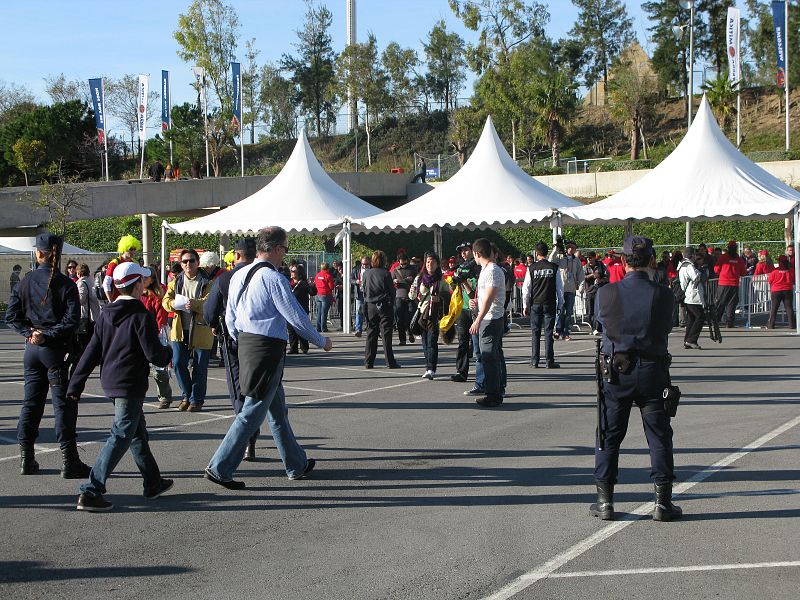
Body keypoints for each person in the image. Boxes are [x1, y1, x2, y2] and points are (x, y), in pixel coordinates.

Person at [204, 226, 333, 489]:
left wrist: (240, 339)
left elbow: (230, 316)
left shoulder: (240, 275)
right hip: (267, 349)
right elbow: (295, 316)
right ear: (275, 249)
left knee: (276, 410)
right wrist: (321, 341)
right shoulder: (273, 279)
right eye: (284, 249)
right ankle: (220, 466)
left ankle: (295, 463)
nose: (285, 254)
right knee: (252, 411)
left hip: (248, 344)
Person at [67, 262, 173, 511]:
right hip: (129, 383)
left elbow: (92, 351)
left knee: (136, 433)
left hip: (111, 381)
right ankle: (91, 490)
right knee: (122, 434)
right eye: (143, 282)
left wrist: (76, 383)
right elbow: (154, 354)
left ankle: (153, 482)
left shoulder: (106, 313)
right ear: (136, 285)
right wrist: (168, 352)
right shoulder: (140, 314)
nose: (145, 285)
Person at [591, 235, 681, 523]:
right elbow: (668, 325)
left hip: (616, 372)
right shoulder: (663, 294)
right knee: (658, 435)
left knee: (608, 435)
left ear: (622, 261)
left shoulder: (606, 293)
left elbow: (601, 324)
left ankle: (605, 502)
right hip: (652, 371)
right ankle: (663, 502)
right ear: (652, 260)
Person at [5, 232, 91, 479]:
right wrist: (47, 334)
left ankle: (26, 458)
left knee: (31, 404)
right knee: (62, 404)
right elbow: (73, 320)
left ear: (38, 253)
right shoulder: (66, 284)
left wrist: (30, 332)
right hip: (55, 349)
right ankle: (69, 460)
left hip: (32, 350)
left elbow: (12, 316)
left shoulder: (26, 281)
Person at [203, 238, 260, 459]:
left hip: (233, 339)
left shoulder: (225, 277)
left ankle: (247, 438)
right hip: (259, 341)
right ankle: (252, 437)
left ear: (236, 255)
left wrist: (215, 325)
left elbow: (209, 310)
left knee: (238, 388)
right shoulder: (263, 274)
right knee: (258, 389)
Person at [162, 248, 212, 412]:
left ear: (198, 263)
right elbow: (165, 300)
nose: (188, 264)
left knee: (199, 367)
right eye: (184, 261)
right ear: (181, 264)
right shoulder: (175, 282)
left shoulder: (207, 282)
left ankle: (196, 399)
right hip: (179, 329)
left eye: (191, 260)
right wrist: (173, 305)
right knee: (177, 363)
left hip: (200, 330)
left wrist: (194, 304)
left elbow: (209, 303)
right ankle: (186, 395)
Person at [468, 238, 506, 408]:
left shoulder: (491, 270)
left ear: (477, 253)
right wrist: (477, 300)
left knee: (489, 358)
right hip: (489, 317)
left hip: (491, 319)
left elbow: (490, 299)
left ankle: (493, 395)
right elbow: (487, 296)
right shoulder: (486, 270)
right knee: (491, 357)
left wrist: (478, 319)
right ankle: (494, 392)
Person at [409, 251, 451, 380]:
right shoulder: (419, 278)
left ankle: (431, 369)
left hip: (434, 314)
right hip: (422, 314)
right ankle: (428, 367)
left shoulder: (441, 279)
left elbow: (448, 295)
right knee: (424, 342)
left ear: (437, 264)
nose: (429, 264)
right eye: (427, 261)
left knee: (432, 342)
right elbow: (412, 296)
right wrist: (412, 292)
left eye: (432, 262)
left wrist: (440, 297)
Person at [522, 242, 559, 369]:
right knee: (548, 332)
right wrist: (561, 303)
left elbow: (526, 288)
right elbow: (559, 288)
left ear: (536, 253)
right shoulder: (554, 267)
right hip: (549, 302)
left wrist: (525, 305)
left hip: (536, 303)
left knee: (535, 332)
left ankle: (534, 360)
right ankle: (549, 361)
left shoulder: (531, 268)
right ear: (546, 252)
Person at [140, 267, 173, 408]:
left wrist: (159, 333)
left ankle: (164, 396)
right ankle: (138, 395)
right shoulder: (137, 293)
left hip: (155, 333)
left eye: (146, 277)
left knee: (159, 369)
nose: (143, 279)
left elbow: (161, 317)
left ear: (152, 279)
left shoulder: (157, 295)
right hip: (139, 334)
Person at [362, 250, 400, 369]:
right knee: (386, 335)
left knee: (371, 334)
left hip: (370, 305)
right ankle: (390, 362)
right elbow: (391, 291)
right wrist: (391, 303)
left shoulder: (366, 274)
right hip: (383, 305)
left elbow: (364, 288)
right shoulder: (386, 273)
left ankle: (369, 362)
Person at [452, 242, 481, 387]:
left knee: (477, 344)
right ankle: (461, 371)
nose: (463, 253)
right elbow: (454, 286)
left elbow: (475, 291)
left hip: (476, 309)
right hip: (463, 308)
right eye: (461, 251)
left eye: (466, 250)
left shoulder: (478, 268)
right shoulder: (460, 268)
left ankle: (481, 374)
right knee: (462, 340)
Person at [549, 238, 584, 341]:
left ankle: (566, 332)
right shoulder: (560, 257)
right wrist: (556, 248)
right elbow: (550, 260)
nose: (571, 249)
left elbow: (580, 274)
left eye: (573, 248)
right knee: (559, 311)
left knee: (568, 312)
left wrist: (581, 285)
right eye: (569, 247)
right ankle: (557, 330)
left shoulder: (576, 260)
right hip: (561, 289)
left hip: (571, 289)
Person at [71, 264, 100, 378]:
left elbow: (81, 300)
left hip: (85, 317)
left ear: (79, 273)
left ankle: (86, 363)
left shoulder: (82, 283)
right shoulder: (92, 281)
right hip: (94, 316)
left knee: (84, 343)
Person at [714, 241, 746, 328]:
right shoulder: (739, 259)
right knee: (731, 304)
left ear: (728, 247)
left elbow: (716, 269)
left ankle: (716, 320)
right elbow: (743, 272)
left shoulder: (722, 257)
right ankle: (730, 322)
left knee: (720, 302)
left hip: (723, 284)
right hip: (734, 284)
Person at [678, 248, 705, 350]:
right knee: (700, 317)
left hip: (688, 295)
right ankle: (691, 340)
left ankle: (687, 340)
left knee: (691, 318)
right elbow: (696, 277)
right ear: (692, 255)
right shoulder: (689, 266)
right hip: (693, 295)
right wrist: (699, 271)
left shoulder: (681, 265)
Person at [103, 235, 141, 303]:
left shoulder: (135, 263)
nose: (133, 251)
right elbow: (106, 283)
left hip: (132, 301)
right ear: (124, 248)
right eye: (130, 249)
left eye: (134, 249)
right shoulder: (115, 263)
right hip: (117, 300)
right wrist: (111, 302)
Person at [390, 253, 416, 345]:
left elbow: (418, 280)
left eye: (405, 264)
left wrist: (412, 279)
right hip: (399, 296)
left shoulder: (413, 269)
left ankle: (410, 332)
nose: (403, 266)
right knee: (399, 319)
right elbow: (390, 280)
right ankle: (402, 339)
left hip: (410, 296)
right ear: (398, 262)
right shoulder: (395, 270)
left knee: (410, 316)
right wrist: (394, 281)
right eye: (401, 264)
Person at [288, 264, 314, 354]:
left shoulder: (303, 283)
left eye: (293, 271)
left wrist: (312, 285)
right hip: (290, 310)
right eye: (291, 270)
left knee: (301, 329)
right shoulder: (289, 283)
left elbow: (313, 292)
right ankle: (293, 348)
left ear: (299, 273)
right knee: (291, 330)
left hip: (301, 310)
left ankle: (304, 347)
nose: (291, 272)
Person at [767, 256, 796, 329]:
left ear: (780, 262)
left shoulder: (775, 271)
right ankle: (792, 325)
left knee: (774, 308)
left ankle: (771, 325)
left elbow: (770, 280)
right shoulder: (791, 270)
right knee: (789, 308)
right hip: (788, 290)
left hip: (776, 291)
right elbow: (793, 280)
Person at [583, 251, 608, 335]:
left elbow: (607, 276)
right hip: (590, 291)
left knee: (600, 310)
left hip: (600, 290)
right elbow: (582, 277)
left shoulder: (601, 265)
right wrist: (592, 275)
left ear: (594, 257)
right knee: (590, 311)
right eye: (587, 258)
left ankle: (599, 328)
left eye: (590, 257)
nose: (588, 259)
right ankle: (593, 328)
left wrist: (601, 279)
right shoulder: (585, 267)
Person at [351, 256, 371, 337]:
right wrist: (356, 281)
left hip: (369, 294)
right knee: (359, 311)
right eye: (363, 264)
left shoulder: (372, 270)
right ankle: (358, 329)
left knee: (369, 312)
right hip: (359, 293)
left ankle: (370, 328)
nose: (365, 266)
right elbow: (351, 279)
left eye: (366, 264)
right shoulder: (356, 270)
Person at [313, 263, 336, 332]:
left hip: (318, 294)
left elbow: (316, 283)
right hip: (325, 295)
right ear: (328, 268)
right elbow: (331, 286)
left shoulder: (317, 275)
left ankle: (318, 327)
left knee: (319, 312)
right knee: (324, 312)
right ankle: (324, 328)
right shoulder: (328, 275)